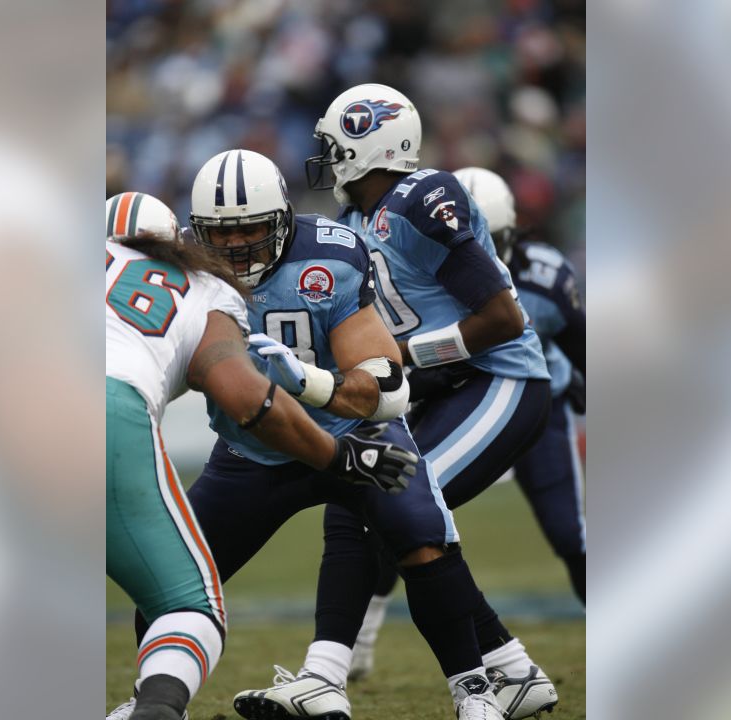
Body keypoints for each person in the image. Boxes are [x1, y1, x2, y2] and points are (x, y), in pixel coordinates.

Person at [131, 149, 513, 720]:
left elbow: (385, 386)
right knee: (168, 577)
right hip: (253, 452)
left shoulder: (329, 256)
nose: (236, 246)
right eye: (221, 233)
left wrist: (308, 382)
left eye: (253, 228)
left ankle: (476, 692)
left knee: (422, 537)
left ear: (282, 219)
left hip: (353, 435)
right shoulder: (187, 268)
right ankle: (154, 702)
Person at [237, 83, 562, 720]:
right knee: (373, 502)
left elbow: (502, 317)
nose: (325, 158)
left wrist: (408, 358)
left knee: (386, 502)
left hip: (502, 378)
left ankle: (325, 676)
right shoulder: (353, 224)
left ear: (367, 144)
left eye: (335, 146)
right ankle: (513, 671)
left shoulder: (419, 198)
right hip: (444, 390)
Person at [105, 191, 419, 720]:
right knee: (186, 605)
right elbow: (251, 402)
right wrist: (338, 455)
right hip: (104, 409)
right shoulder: (207, 289)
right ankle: (155, 709)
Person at [453, 166, 586, 604]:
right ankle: (357, 641)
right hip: (451, 406)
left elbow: (582, 346)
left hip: (537, 408)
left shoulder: (543, 280)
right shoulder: (413, 280)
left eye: (490, 241)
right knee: (407, 520)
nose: (480, 258)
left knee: (569, 533)